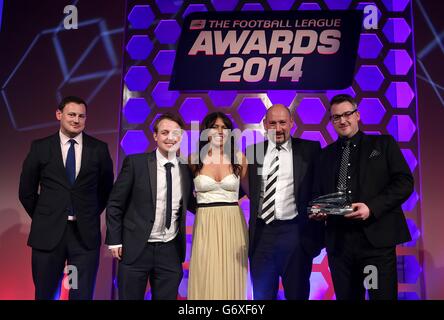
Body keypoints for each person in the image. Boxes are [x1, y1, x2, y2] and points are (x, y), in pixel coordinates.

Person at [310, 94, 413, 300]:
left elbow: (404, 182)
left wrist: (371, 207)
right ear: (331, 121)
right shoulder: (324, 155)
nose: (342, 120)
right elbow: (318, 194)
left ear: (357, 115)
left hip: (375, 243)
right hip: (340, 245)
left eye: (347, 114)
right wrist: (317, 210)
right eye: (336, 117)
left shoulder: (383, 144)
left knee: (381, 297)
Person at [19, 96, 114, 300]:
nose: (76, 120)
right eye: (71, 114)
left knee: (80, 293)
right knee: (45, 293)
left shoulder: (99, 149)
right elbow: (26, 191)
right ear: (59, 115)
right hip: (48, 235)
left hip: (83, 238)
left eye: (81, 116)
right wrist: (46, 216)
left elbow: (106, 190)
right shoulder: (40, 147)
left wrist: (87, 213)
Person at [106, 113, 194, 300]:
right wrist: (115, 240)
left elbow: (192, 202)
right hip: (136, 247)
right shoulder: (136, 163)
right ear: (155, 136)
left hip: (170, 250)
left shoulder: (187, 170)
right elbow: (115, 203)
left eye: (175, 133)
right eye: (164, 132)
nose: (170, 138)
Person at [246, 104, 323, 300]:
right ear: (264, 124)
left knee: (297, 294)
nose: (278, 128)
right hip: (262, 235)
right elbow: (238, 187)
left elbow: (322, 185)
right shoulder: (251, 153)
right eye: (273, 123)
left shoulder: (310, 150)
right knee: (262, 297)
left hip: (295, 234)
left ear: (291, 123)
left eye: (282, 123)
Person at [187, 112, 249, 300]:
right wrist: (201, 209)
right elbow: (185, 194)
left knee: (232, 272)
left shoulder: (239, 158)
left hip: (233, 223)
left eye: (225, 127)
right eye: (215, 127)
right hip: (205, 223)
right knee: (205, 272)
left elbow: (249, 190)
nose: (220, 131)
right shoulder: (193, 160)